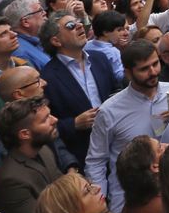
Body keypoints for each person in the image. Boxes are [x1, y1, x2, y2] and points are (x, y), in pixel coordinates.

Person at [87, 41, 169, 213]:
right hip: (130, 204)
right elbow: (96, 160)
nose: (153, 72)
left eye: (155, 64)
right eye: (144, 69)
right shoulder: (109, 111)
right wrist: (101, 207)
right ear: (128, 73)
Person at [40, 13, 117, 164]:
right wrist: (74, 124)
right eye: (71, 26)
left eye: (79, 22)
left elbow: (116, 91)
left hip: (115, 142)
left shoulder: (99, 58)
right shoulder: (47, 78)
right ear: (56, 40)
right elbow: (46, 125)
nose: (80, 26)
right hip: (83, 152)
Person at [0, 97, 65, 213]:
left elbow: (66, 190)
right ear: (25, 134)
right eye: (45, 119)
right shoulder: (9, 180)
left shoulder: (44, 151)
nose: (55, 120)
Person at [114, 136, 169, 213]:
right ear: (155, 167)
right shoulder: (165, 208)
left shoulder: (128, 209)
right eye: (160, 148)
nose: (168, 145)